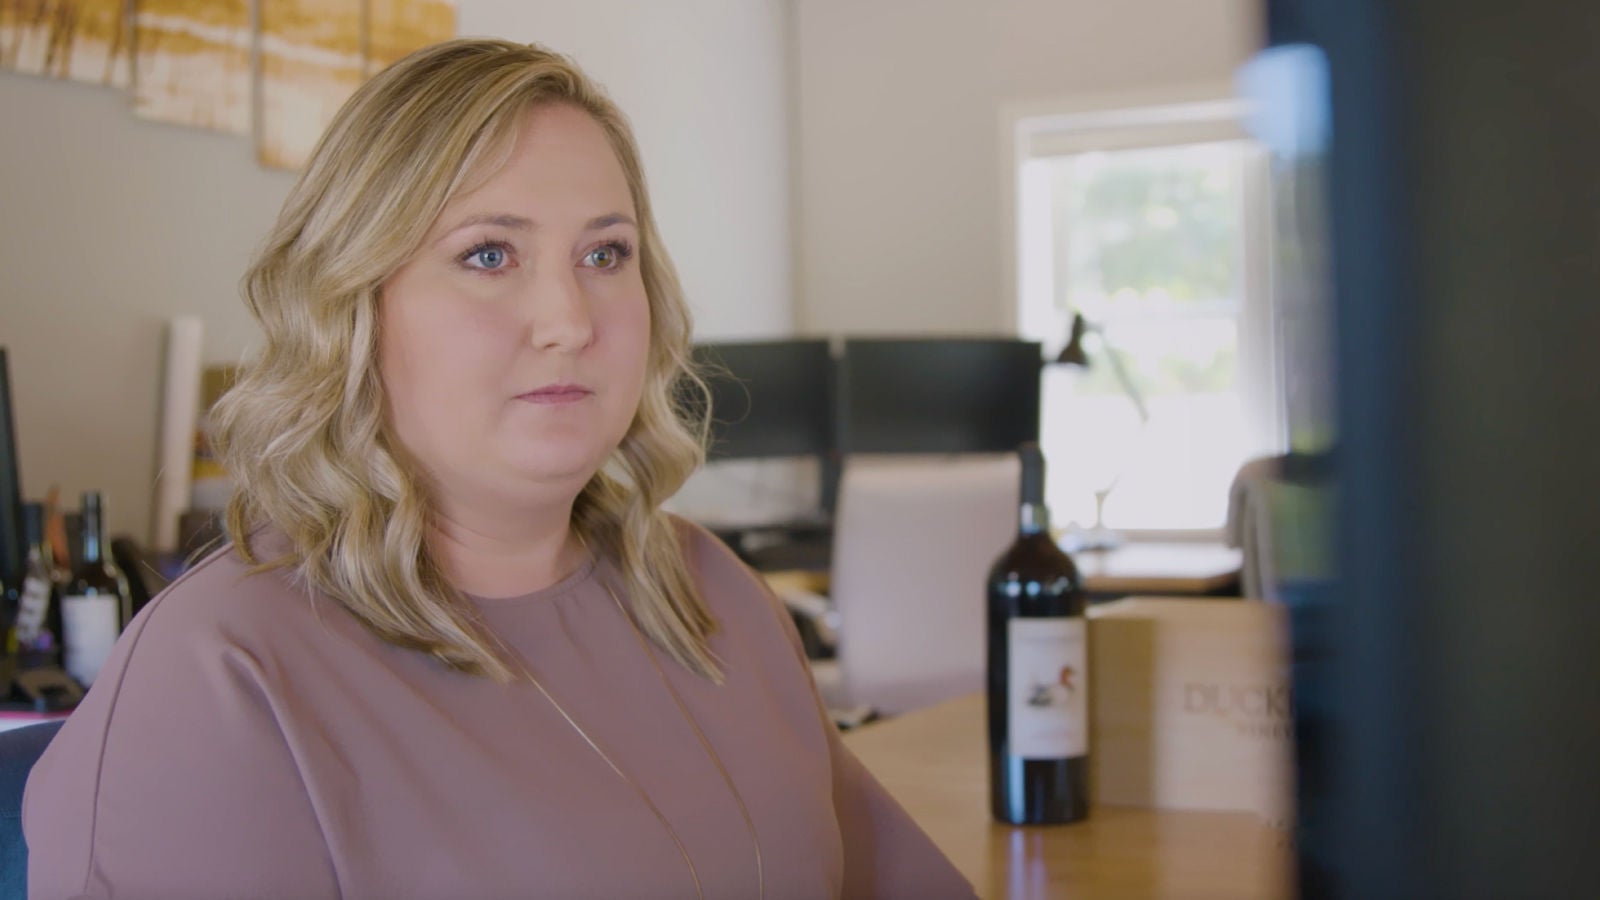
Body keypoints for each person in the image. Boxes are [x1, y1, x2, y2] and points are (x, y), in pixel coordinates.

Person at [22, 38, 976, 900]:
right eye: (488, 254)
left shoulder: (713, 595)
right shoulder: (220, 676)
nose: (570, 318)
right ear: (354, 305)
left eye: (606, 253)